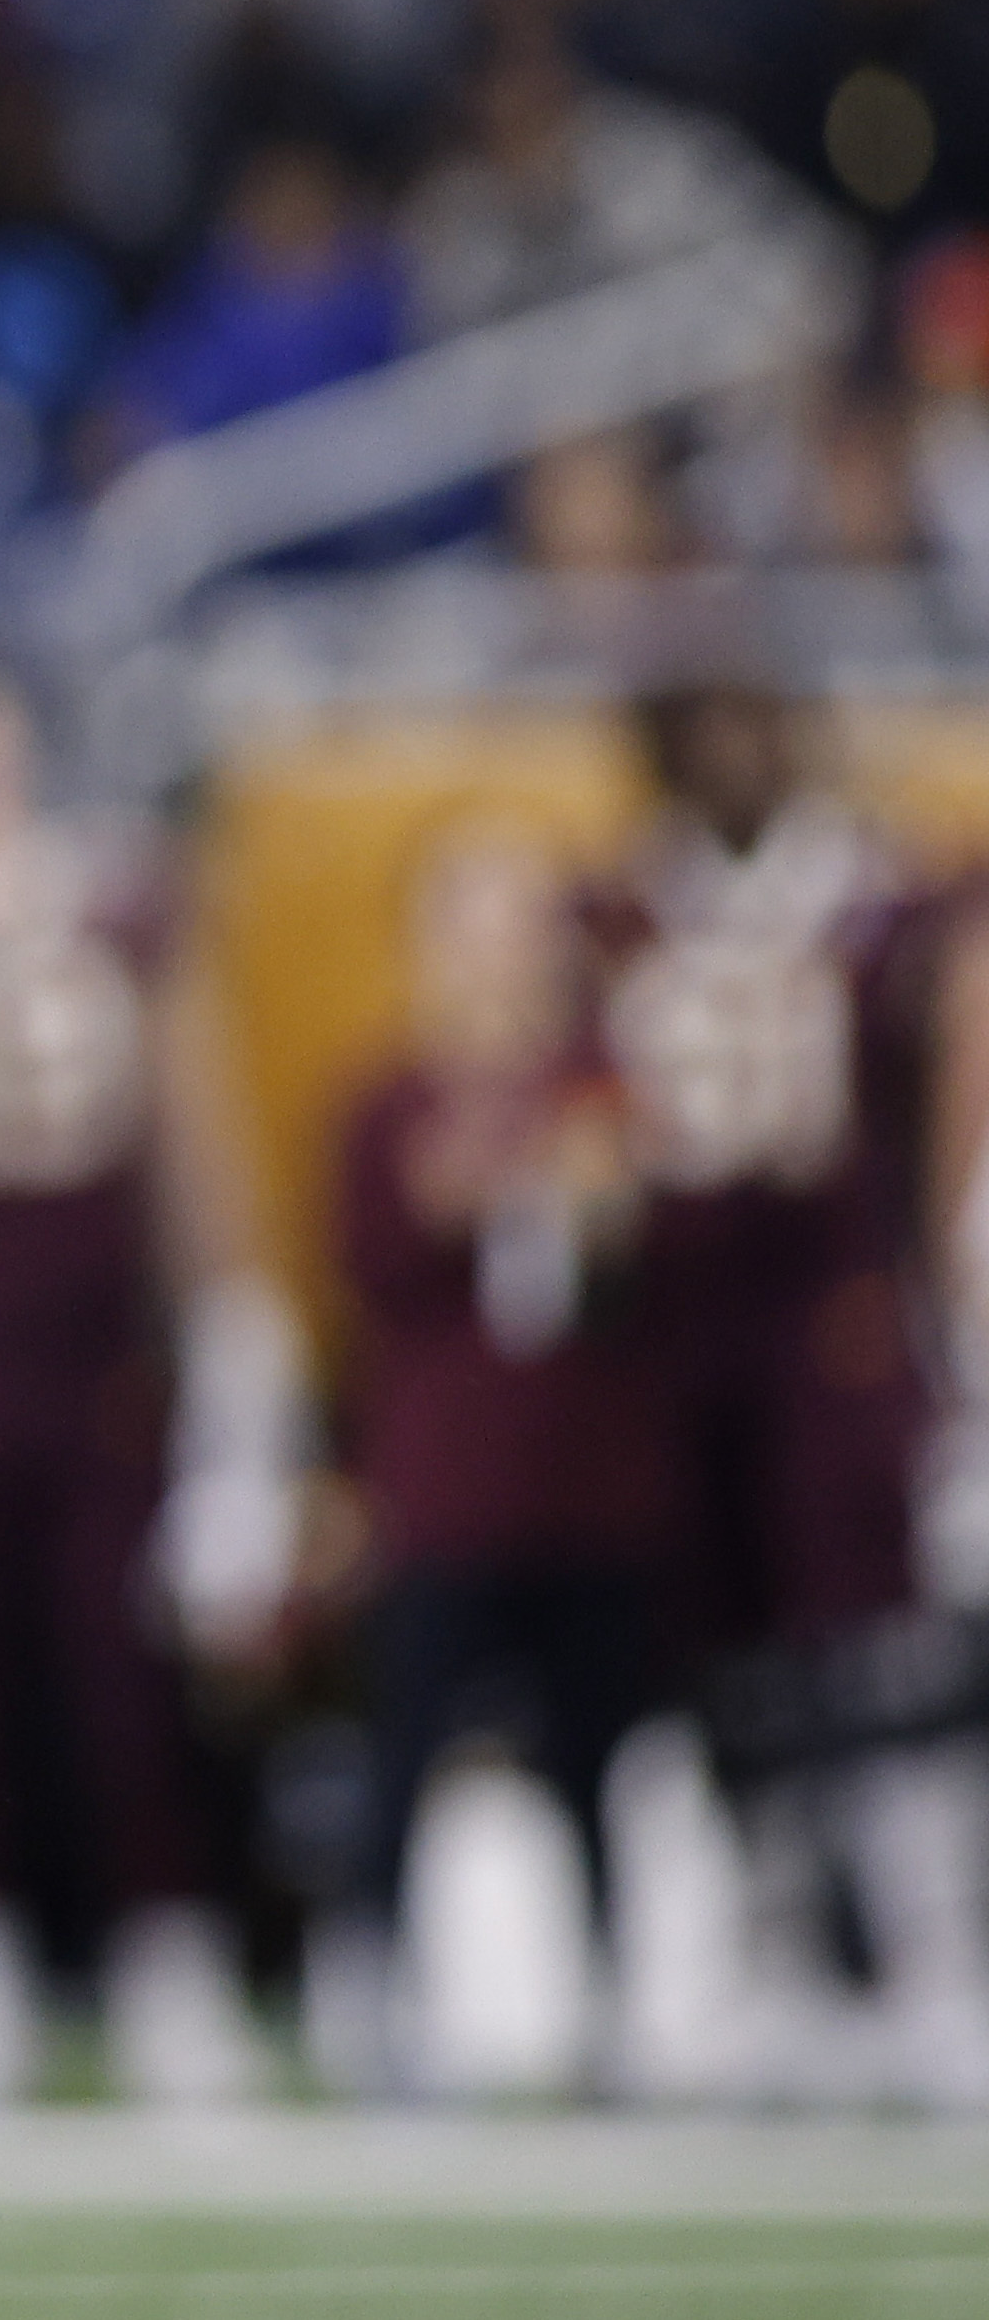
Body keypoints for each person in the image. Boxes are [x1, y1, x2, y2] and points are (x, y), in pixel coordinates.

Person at [0, 663, 273, 2103]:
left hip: (94, 1358)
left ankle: (166, 1957)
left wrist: (240, 1367)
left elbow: (193, 1142)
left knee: (124, 1672)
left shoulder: (113, 915)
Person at [588, 680, 989, 2103]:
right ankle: (779, 1959)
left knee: (885, 1656)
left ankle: (939, 1964)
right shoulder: (624, 909)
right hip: (689, 1334)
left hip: (841, 1316)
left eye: (757, 726)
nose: (738, 754)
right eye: (706, 732)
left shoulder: (883, 897)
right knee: (734, 1665)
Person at [327, 816, 675, 2074]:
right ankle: (377, 1985)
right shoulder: (392, 1097)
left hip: (586, 1477)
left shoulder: (597, 1084)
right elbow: (370, 1264)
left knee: (597, 1754)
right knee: (410, 1739)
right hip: (446, 1485)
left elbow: (642, 1274)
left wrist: (604, 1193)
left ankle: (615, 1994)